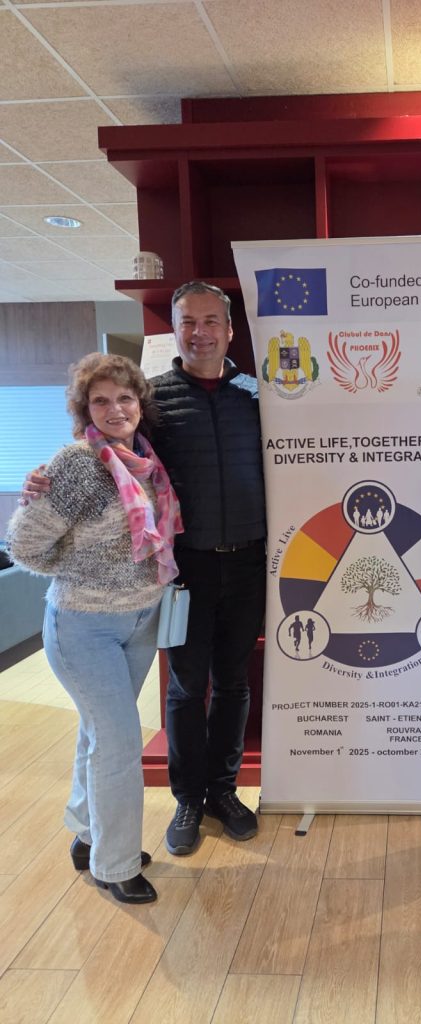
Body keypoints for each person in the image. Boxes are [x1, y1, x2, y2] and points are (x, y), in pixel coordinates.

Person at [23, 281, 267, 857]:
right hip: (183, 571)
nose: (200, 332)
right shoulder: (153, 399)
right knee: (186, 686)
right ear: (175, 329)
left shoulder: (258, 395)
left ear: (230, 330)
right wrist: (42, 479)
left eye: (211, 321)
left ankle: (223, 791)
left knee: (234, 682)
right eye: (188, 322)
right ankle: (188, 799)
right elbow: (105, 449)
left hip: (250, 562)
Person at [9, 354, 183, 905]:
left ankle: (88, 836)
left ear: (140, 405)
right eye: (101, 400)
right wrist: (81, 570)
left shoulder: (146, 462)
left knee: (98, 735)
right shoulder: (77, 465)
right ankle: (117, 863)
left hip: (141, 620)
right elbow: (23, 546)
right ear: (85, 409)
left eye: (125, 398)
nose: (115, 409)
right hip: (84, 626)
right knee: (120, 744)